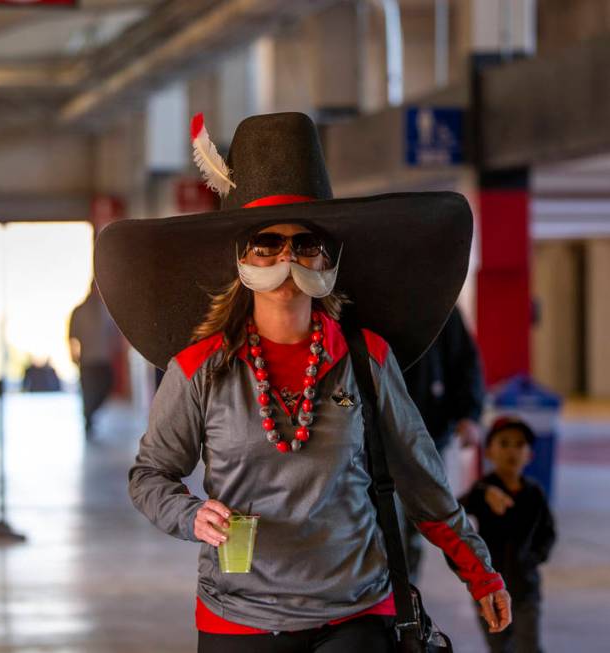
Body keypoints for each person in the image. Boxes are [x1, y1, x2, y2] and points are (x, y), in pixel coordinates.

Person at [96, 112, 511, 651]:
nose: (287, 258)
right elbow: (150, 475)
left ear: (330, 257)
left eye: (306, 243)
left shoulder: (367, 359)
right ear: (242, 257)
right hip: (239, 616)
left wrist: (481, 574)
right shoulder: (200, 369)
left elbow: (422, 481)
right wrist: (192, 515)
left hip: (358, 609)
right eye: (267, 242)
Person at [401, 305, 486, 581]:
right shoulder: (372, 298)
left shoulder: (442, 304)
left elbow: (465, 360)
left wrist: (468, 414)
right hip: (371, 432)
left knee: (418, 517)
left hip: (429, 429)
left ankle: (404, 592)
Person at [461, 417, 555, 653]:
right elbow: (454, 509)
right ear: (489, 452)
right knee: (499, 646)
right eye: (503, 443)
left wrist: (534, 557)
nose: (512, 450)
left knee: (528, 646)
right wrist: (483, 491)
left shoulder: (534, 493)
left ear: (530, 454)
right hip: (490, 589)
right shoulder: (483, 490)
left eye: (519, 444)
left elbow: (548, 532)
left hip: (525, 588)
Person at [68, 284, 119, 437]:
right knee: (88, 392)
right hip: (88, 360)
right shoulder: (79, 311)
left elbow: (113, 332)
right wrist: (73, 355)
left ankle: (89, 414)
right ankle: (88, 419)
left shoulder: (105, 310)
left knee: (107, 386)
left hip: (103, 359)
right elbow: (71, 336)